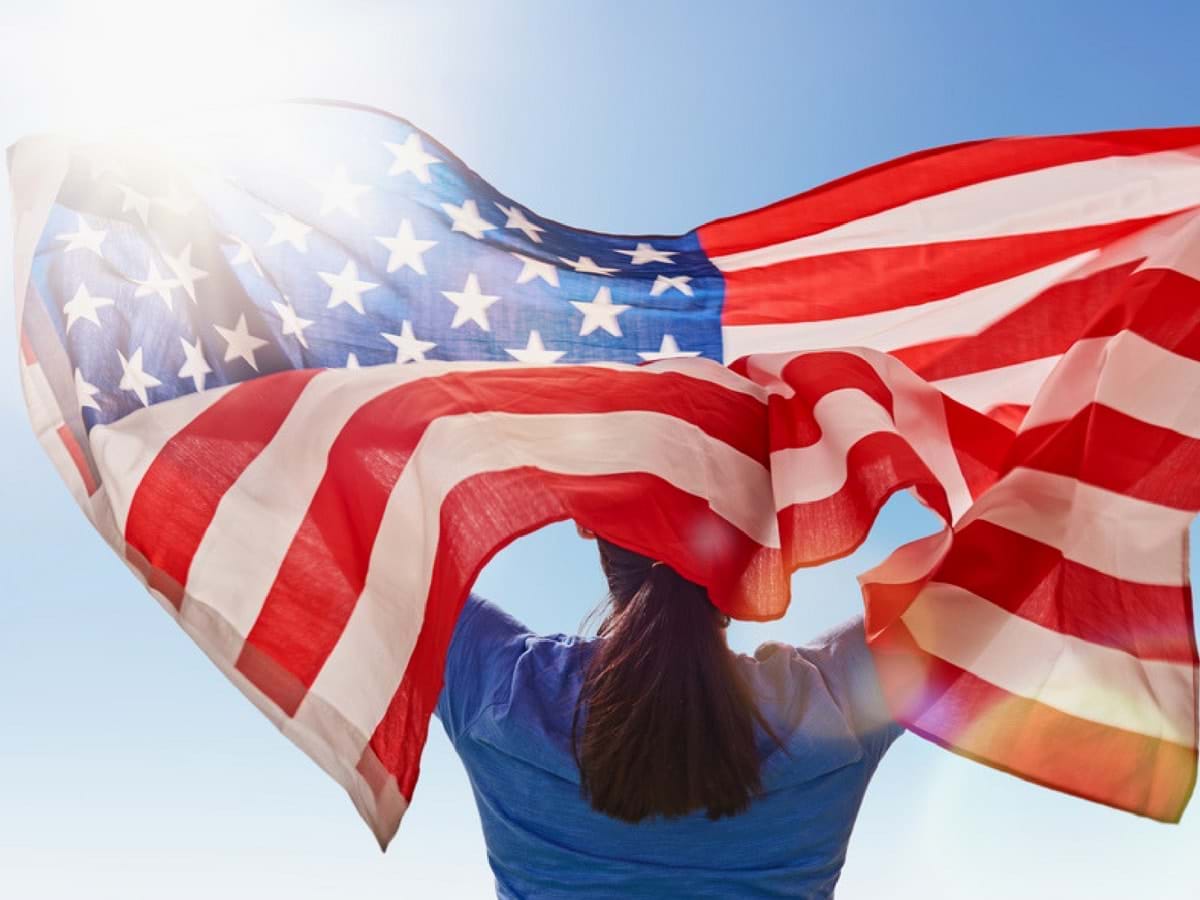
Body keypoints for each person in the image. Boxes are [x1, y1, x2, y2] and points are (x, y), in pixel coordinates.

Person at [434, 525, 905, 899]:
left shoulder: (502, 694)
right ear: (754, 534)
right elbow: (977, 559)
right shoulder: (837, 710)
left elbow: (369, 541)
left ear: (588, 527)